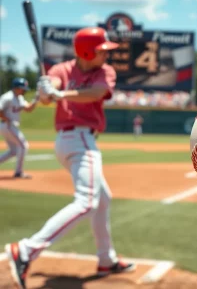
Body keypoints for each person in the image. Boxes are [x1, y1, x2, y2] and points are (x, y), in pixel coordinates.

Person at [4, 27, 135, 289]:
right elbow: (48, 91)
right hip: (76, 140)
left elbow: (96, 93)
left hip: (78, 140)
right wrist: (45, 90)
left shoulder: (104, 72)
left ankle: (105, 260)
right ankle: (27, 250)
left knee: (102, 200)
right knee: (87, 202)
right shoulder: (61, 70)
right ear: (87, 51)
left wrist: (61, 94)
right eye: (102, 50)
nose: (106, 54)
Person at [0, 77, 38, 178]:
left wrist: (36, 99)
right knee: (23, 146)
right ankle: (19, 172)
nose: (24, 90)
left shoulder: (19, 98)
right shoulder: (7, 97)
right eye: (23, 88)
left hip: (10, 126)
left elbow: (28, 109)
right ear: (16, 88)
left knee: (13, 151)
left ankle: (18, 171)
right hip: (7, 125)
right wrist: (7, 119)